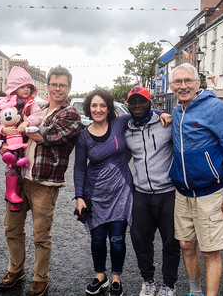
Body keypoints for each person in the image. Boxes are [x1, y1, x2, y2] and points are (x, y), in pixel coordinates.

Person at [0, 66, 82, 296]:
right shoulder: (36, 108)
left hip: (45, 183)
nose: (57, 88)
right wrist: (7, 140)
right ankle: (16, 269)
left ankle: (40, 278)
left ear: (68, 88)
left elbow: (50, 137)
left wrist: (20, 127)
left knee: (40, 234)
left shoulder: (70, 114)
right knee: (12, 227)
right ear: (47, 86)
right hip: (18, 178)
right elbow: (9, 133)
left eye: (62, 85)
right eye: (53, 84)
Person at [168, 63, 223, 296]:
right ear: (171, 86)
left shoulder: (216, 108)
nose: (183, 86)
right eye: (178, 82)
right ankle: (195, 292)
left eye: (187, 81)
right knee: (186, 245)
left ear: (197, 83)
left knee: (211, 252)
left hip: (210, 194)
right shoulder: (176, 110)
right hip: (183, 193)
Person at [74, 88, 134, 296]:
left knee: (117, 238)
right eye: (94, 105)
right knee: (97, 238)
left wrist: (162, 112)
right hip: (95, 194)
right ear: (88, 109)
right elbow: (79, 167)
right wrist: (79, 197)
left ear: (108, 107)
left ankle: (116, 278)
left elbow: (143, 110)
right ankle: (100, 277)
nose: (98, 109)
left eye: (102, 105)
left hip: (121, 191)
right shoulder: (83, 136)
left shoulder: (119, 122)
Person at [124, 86, 180, 296]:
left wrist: (160, 114)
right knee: (139, 240)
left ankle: (169, 285)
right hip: (141, 194)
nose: (137, 105)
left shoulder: (167, 123)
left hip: (168, 193)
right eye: (133, 102)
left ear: (150, 103)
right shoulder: (126, 128)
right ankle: (148, 281)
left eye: (142, 101)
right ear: (128, 104)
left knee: (171, 242)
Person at [0, 66, 43, 212]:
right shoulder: (2, 105)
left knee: (19, 170)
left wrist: (27, 122)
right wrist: (3, 129)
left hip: (25, 144)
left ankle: (14, 199)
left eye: (29, 87)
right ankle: (11, 194)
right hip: (10, 142)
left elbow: (37, 116)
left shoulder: (31, 103)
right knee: (12, 166)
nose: (26, 90)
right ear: (13, 87)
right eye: (22, 86)